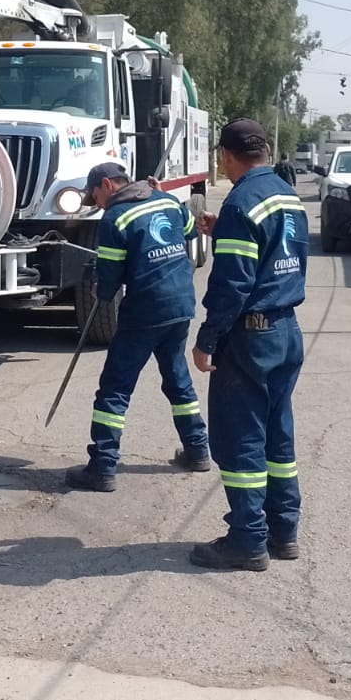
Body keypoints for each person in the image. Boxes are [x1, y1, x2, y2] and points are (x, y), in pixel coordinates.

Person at [190, 119, 308, 572]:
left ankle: (246, 540)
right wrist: (224, 228)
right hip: (285, 331)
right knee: (277, 437)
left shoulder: (241, 203)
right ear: (264, 149)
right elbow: (277, 250)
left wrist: (207, 340)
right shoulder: (284, 194)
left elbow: (232, 285)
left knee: (240, 439)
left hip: (250, 337)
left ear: (226, 155)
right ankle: (283, 532)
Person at [64, 161, 212, 493]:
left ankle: (102, 467)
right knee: (178, 380)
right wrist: (161, 194)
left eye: (95, 196)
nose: (96, 203)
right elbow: (190, 229)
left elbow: (110, 280)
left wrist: (97, 287)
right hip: (181, 305)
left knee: (114, 390)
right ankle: (198, 450)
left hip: (145, 309)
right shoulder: (167, 201)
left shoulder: (116, 218)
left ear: (107, 184)